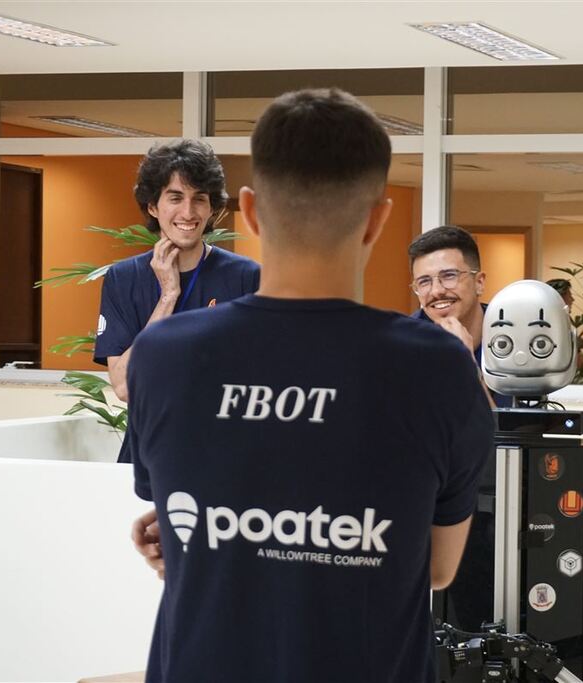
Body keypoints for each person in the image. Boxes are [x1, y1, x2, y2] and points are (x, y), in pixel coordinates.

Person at [127, 89, 493, 682]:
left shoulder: (163, 355)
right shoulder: (440, 368)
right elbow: (436, 567)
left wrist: (225, 547)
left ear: (247, 211)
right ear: (378, 216)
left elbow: (175, 532)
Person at [94, 139, 260, 403]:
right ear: (152, 207)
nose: (188, 212)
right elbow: (125, 387)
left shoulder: (246, 276)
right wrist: (168, 297)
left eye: (199, 199)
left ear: (211, 209)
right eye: (175, 198)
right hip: (149, 442)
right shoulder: (124, 278)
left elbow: (259, 377)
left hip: (219, 440)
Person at [407, 224, 509, 633]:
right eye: (424, 282)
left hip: (495, 516)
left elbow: (504, 439)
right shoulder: (403, 344)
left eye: (449, 276)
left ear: (479, 281)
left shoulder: (513, 339)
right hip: (419, 515)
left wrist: (466, 366)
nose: (437, 291)